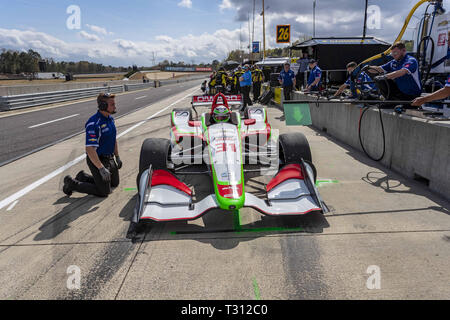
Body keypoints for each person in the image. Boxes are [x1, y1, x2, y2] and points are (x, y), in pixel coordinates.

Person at [63, 93, 122, 197]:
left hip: (109, 157)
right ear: (103, 106)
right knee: (104, 192)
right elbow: (90, 149)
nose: (115, 106)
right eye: (112, 104)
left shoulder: (110, 119)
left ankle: (83, 177)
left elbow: (113, 139)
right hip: (97, 159)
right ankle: (72, 184)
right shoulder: (94, 124)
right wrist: (101, 168)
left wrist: (117, 157)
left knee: (114, 183)